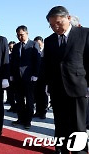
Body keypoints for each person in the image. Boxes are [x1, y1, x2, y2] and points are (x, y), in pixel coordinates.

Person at [44, 6, 89, 153]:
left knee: (78, 125)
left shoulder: (84, 33)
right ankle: (61, 149)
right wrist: (47, 85)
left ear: (68, 18)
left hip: (78, 87)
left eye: (58, 23)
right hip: (57, 89)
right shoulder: (49, 40)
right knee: (60, 124)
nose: (55, 27)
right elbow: (48, 65)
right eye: (51, 25)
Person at [10, 25, 41, 129]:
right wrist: (12, 75)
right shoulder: (16, 46)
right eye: (18, 35)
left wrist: (35, 74)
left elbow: (37, 60)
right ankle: (20, 118)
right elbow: (13, 62)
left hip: (29, 77)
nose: (19, 37)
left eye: (21, 35)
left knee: (29, 100)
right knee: (19, 99)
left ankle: (28, 120)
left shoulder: (33, 44)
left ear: (27, 33)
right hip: (17, 78)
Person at [33, 36, 48, 119]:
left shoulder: (46, 51)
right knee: (37, 94)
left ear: (42, 42)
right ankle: (38, 111)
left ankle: (43, 112)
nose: (38, 45)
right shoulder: (34, 51)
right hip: (36, 77)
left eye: (39, 43)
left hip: (44, 77)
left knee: (43, 95)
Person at [6, 41, 17, 113]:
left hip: (16, 77)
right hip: (9, 77)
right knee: (10, 93)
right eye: (10, 48)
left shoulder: (17, 56)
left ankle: (17, 107)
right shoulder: (8, 56)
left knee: (17, 94)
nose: (11, 50)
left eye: (13, 48)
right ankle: (12, 106)